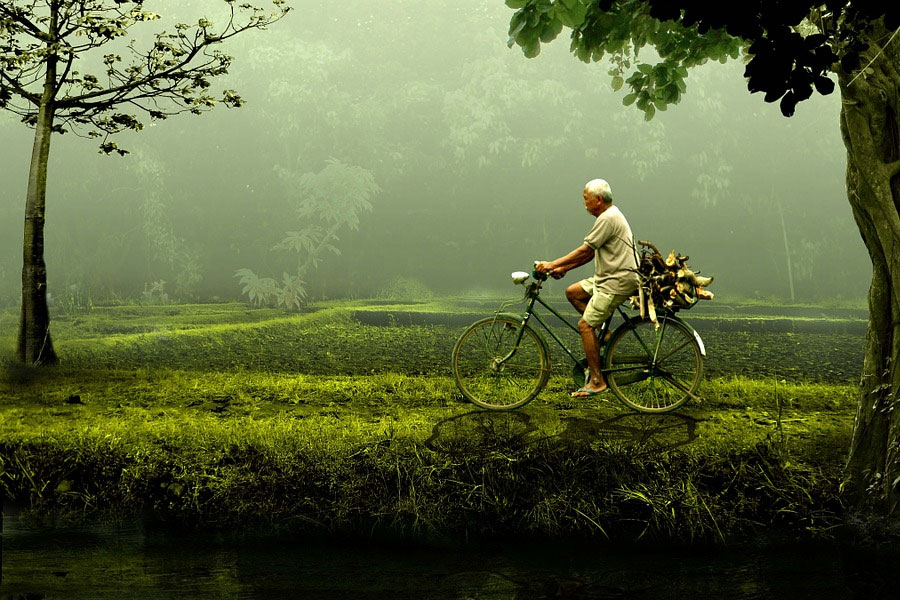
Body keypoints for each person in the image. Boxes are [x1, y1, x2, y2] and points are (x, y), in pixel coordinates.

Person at [535, 179, 640, 398]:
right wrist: (564, 268)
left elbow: (585, 250)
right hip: (607, 277)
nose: (584, 204)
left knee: (584, 326)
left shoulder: (607, 218)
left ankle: (597, 381)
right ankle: (606, 336)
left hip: (616, 281)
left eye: (586, 199)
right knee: (573, 292)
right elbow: (591, 253)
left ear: (598, 200)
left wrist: (552, 264)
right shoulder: (609, 216)